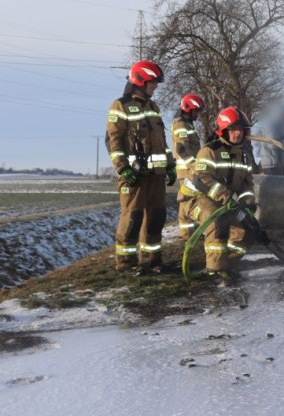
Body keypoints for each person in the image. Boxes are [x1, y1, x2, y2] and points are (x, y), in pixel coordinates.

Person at [105, 61, 176, 274]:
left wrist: (170, 165)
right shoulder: (120, 106)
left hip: (156, 176)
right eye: (153, 82)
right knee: (132, 219)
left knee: (156, 218)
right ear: (140, 81)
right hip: (134, 175)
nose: (155, 86)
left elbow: (162, 142)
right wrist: (122, 168)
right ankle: (126, 265)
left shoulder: (154, 107)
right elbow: (113, 140)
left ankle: (152, 261)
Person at [189, 107, 257, 279]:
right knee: (218, 221)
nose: (237, 133)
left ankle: (227, 265)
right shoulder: (209, 151)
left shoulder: (244, 156)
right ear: (224, 130)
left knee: (249, 229)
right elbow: (202, 179)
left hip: (226, 202)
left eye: (240, 129)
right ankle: (214, 270)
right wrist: (226, 197)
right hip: (198, 200)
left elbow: (246, 184)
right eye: (233, 129)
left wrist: (248, 203)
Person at [171, 94, 204, 244]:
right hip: (187, 171)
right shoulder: (181, 124)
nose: (197, 114)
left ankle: (192, 232)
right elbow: (182, 148)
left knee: (193, 201)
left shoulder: (188, 124)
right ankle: (186, 235)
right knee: (185, 202)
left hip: (190, 170)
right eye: (196, 111)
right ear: (188, 108)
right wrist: (193, 167)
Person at [255, 104, 284, 175]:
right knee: (275, 185)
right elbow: (273, 144)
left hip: (279, 166)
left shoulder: (281, 128)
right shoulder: (272, 126)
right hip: (272, 166)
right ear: (281, 115)